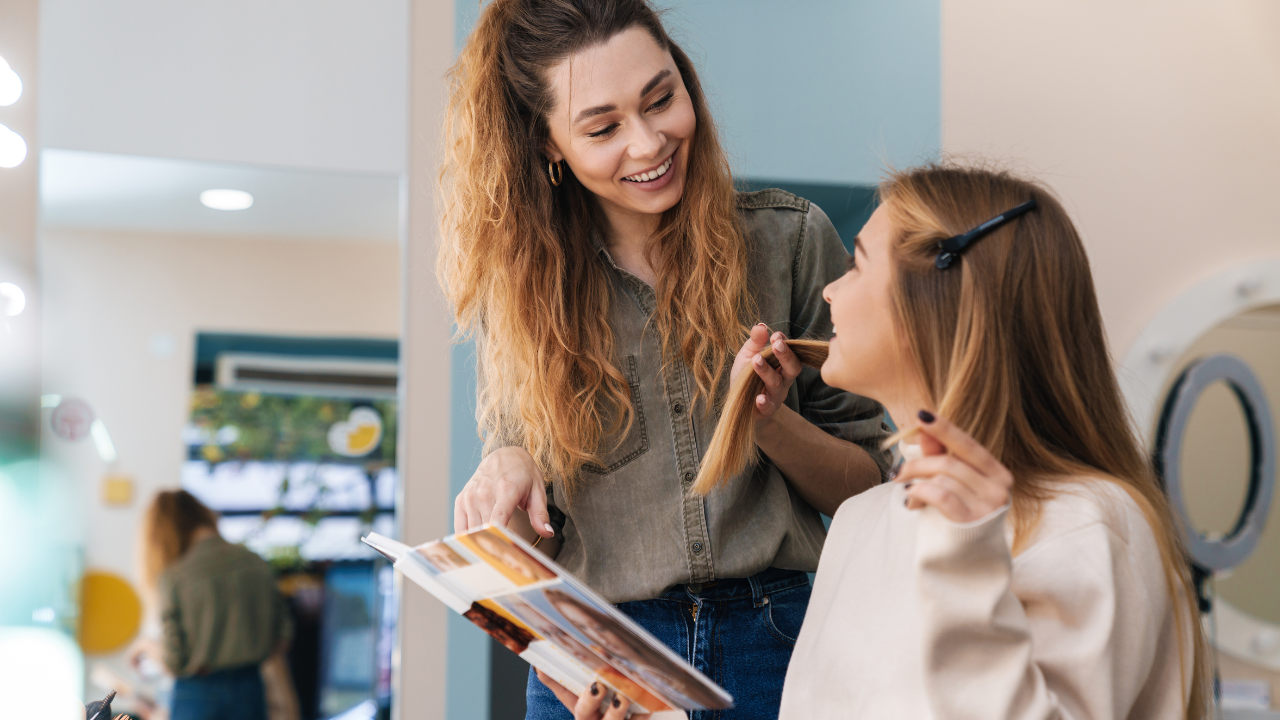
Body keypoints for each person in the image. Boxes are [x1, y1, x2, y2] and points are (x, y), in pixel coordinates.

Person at [439, 1, 891, 718]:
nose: (650, 143)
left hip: (777, 638)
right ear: (548, 144)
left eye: (661, 99)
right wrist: (509, 476)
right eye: (603, 127)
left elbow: (870, 490)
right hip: (601, 664)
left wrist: (770, 423)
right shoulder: (522, 297)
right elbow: (533, 541)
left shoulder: (792, 243)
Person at [134, 490, 294, 720]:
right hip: (250, 688)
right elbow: (282, 638)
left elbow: (174, 661)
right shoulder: (256, 563)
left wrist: (147, 647)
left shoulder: (175, 577)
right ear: (203, 515)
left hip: (198, 692)